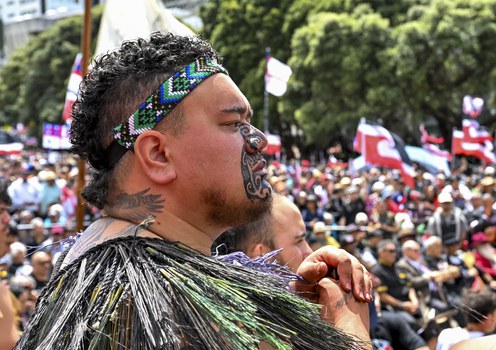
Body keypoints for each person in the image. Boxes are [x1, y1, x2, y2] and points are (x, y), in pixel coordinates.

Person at [16, 32, 372, 349]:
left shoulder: (111, 268)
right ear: (157, 154)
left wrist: (291, 306)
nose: (259, 140)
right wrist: (349, 327)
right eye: (234, 123)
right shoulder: (147, 297)